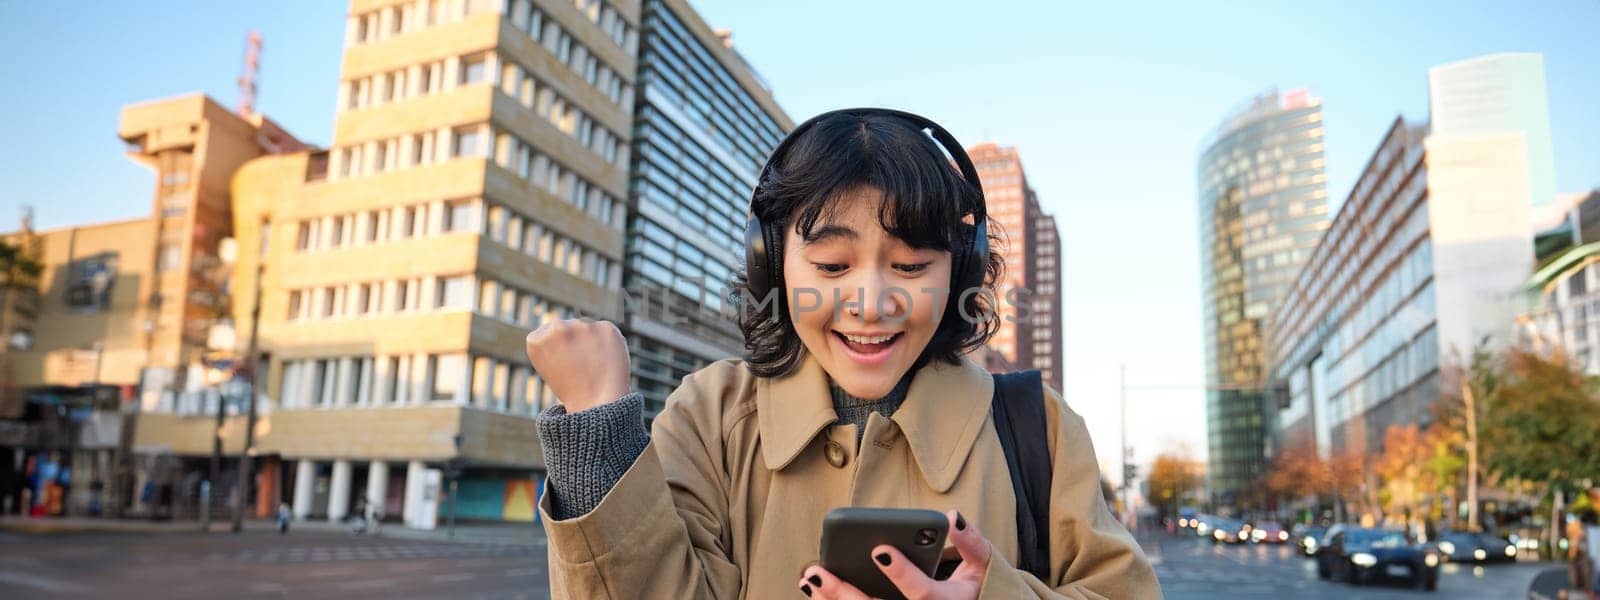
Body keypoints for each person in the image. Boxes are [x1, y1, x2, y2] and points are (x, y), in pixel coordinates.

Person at [526, 109, 1160, 599]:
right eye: (831, 265)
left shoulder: (1036, 426)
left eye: (911, 266)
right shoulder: (710, 415)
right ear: (771, 265)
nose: (871, 302)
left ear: (959, 274)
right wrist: (596, 428)